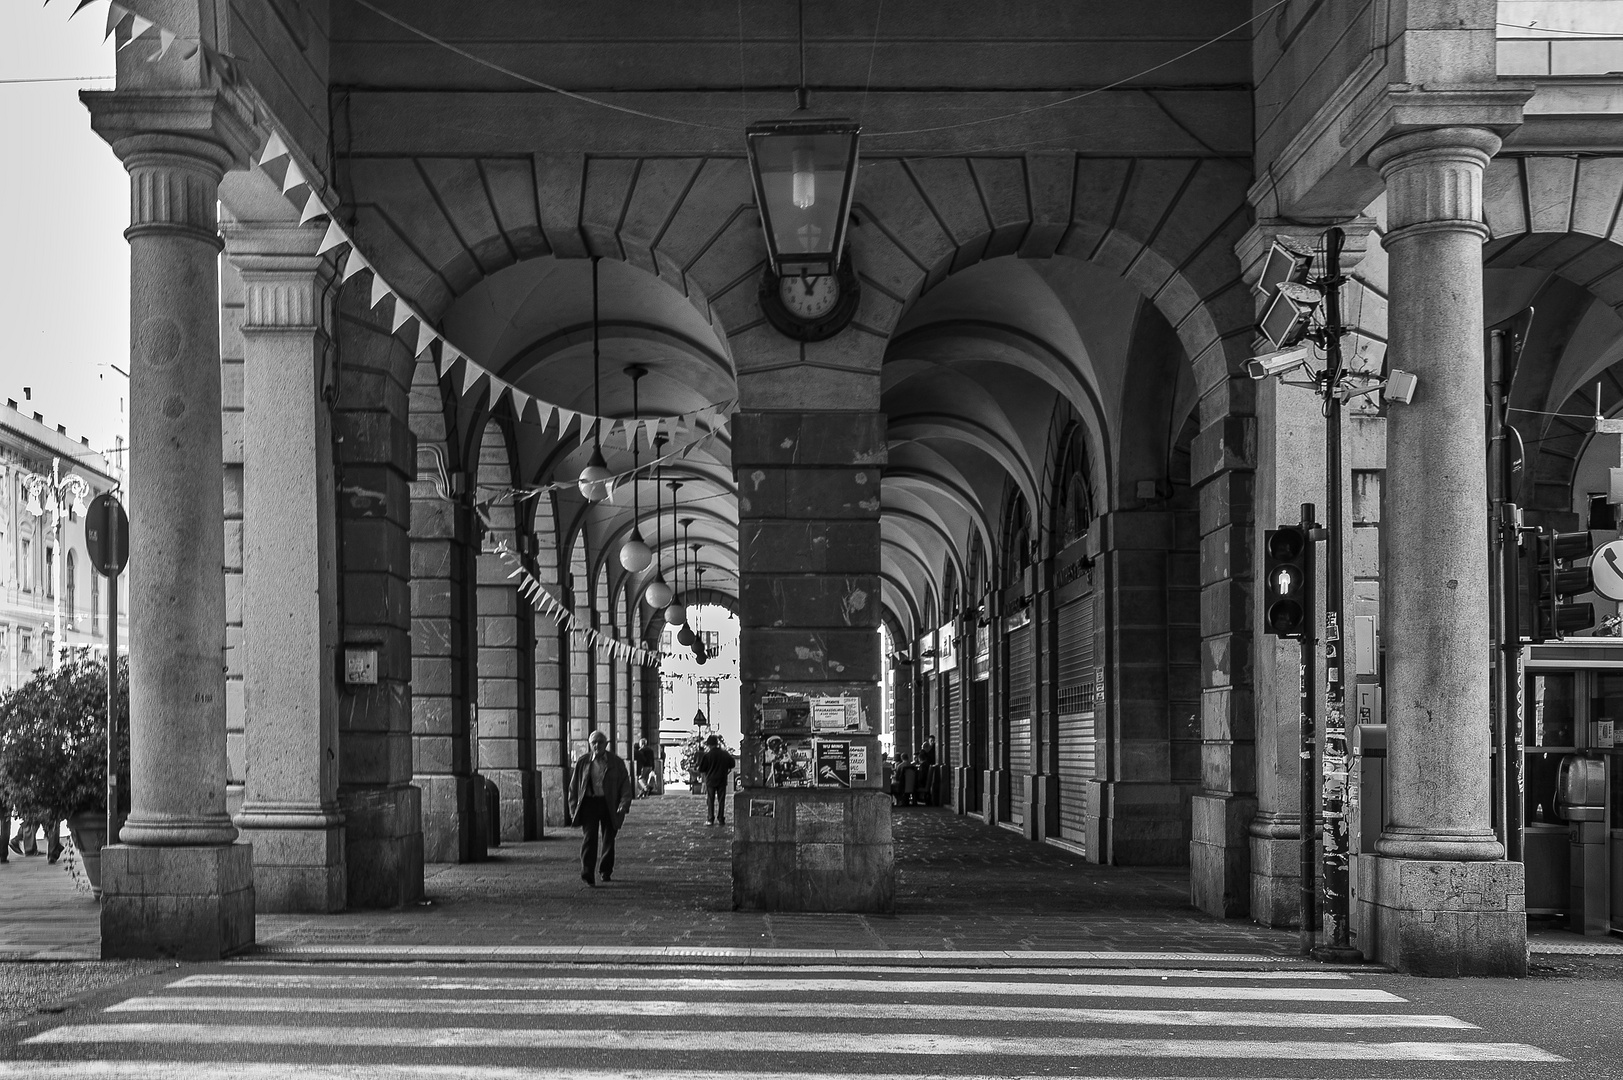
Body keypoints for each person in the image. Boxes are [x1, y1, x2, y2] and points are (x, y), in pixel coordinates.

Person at [566, 730, 632, 887]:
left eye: (600, 742)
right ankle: (587, 871)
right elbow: (573, 787)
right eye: (593, 743)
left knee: (609, 838)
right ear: (590, 744)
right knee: (589, 838)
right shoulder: (583, 762)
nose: (597, 745)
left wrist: (624, 804)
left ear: (606, 744)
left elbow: (625, 785)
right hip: (590, 803)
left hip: (610, 804)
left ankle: (605, 870)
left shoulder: (616, 762)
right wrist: (573, 808)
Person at [696, 734, 736, 827]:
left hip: (711, 780)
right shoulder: (725, 753)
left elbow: (702, 769)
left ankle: (710, 819)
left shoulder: (707, 755)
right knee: (721, 800)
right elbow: (732, 764)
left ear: (709, 745)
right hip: (722, 779)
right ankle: (721, 818)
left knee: (710, 800)